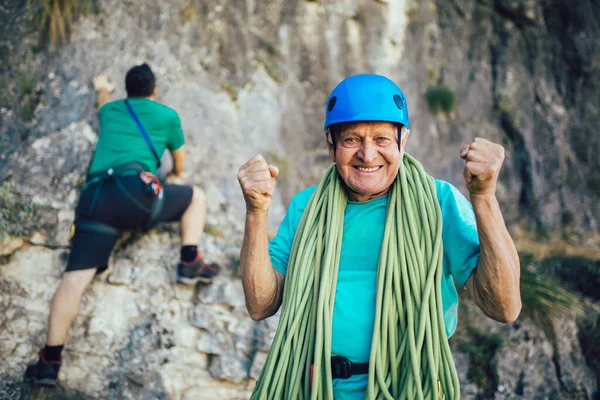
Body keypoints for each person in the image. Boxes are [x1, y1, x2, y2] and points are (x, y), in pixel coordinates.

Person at [237, 74, 521, 399]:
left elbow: (504, 307)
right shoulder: (308, 206)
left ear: (404, 141)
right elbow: (261, 304)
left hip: (408, 388)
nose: (367, 154)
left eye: (382, 139)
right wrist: (256, 212)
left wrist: (483, 197)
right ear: (331, 145)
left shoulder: (438, 202)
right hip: (317, 389)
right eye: (352, 140)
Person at [24, 63, 219, 387]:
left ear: (127, 90)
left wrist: (102, 87)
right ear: (154, 90)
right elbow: (179, 159)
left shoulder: (112, 110)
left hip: (97, 197)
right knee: (196, 197)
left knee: (73, 282)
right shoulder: (166, 115)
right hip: (136, 195)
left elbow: (102, 103)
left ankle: (49, 362)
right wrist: (177, 176)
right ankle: (189, 260)